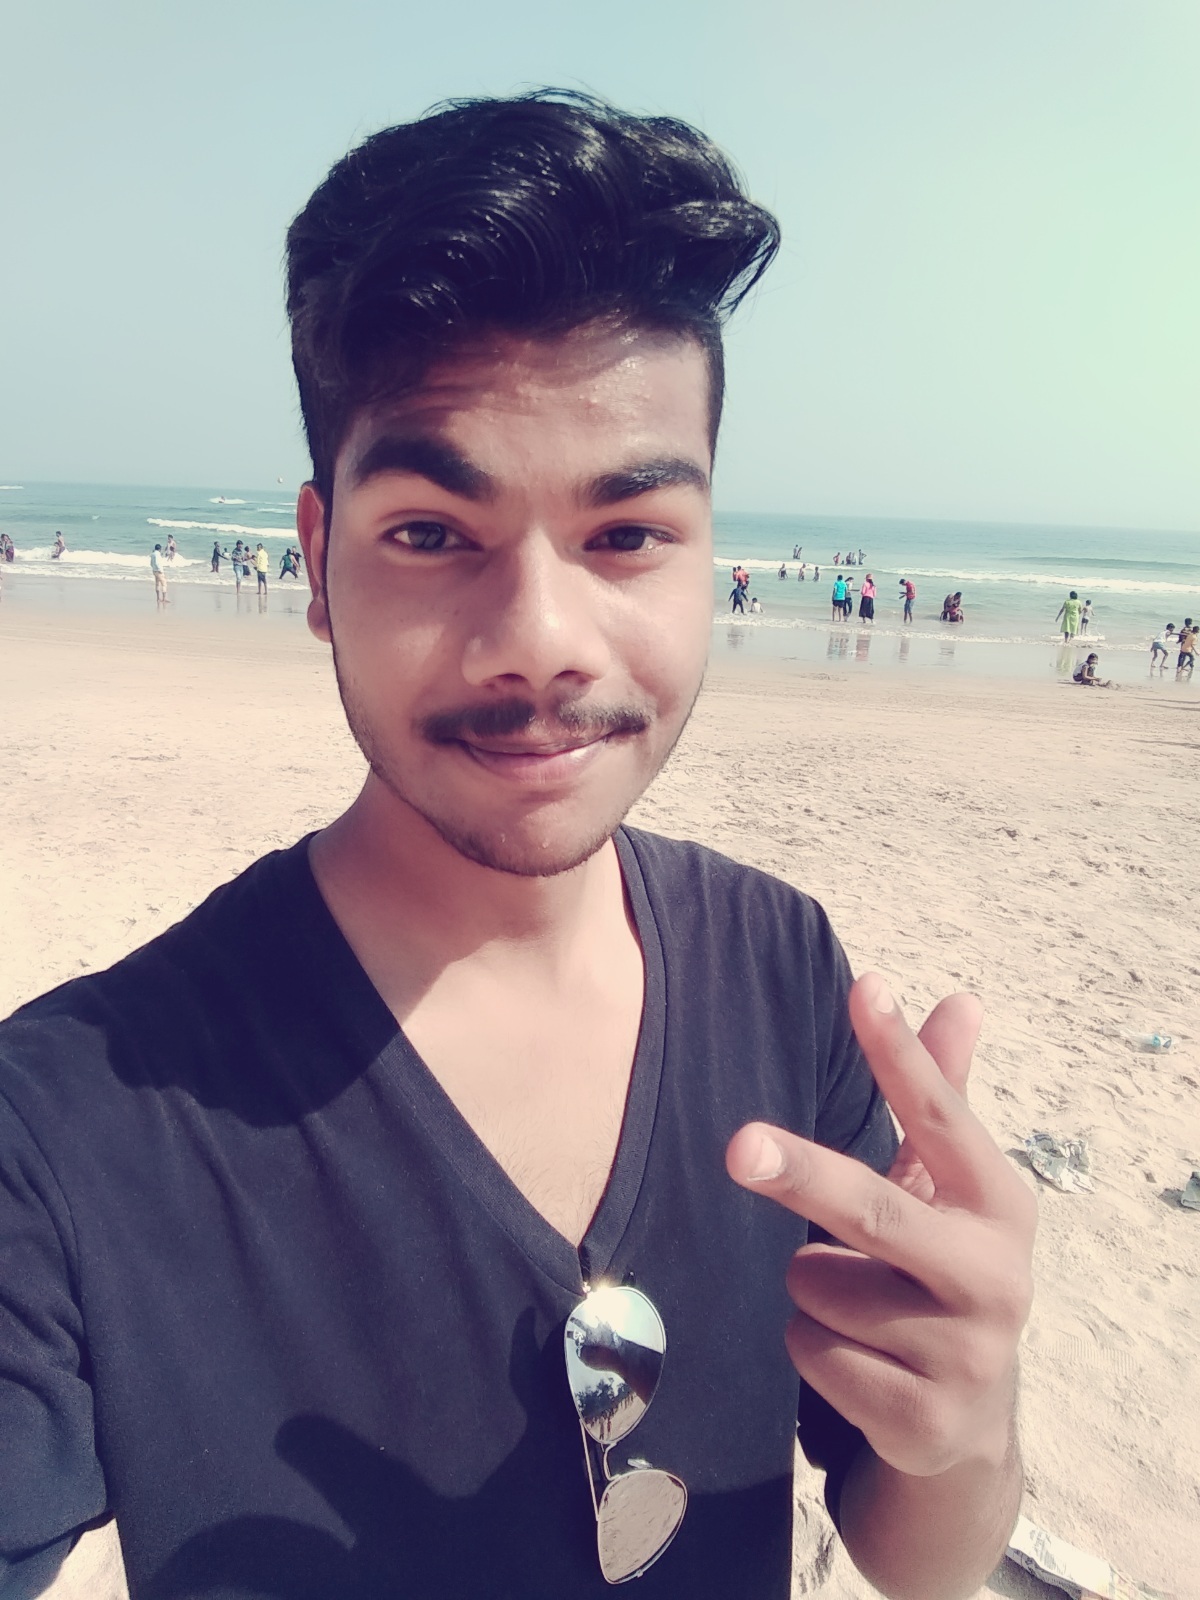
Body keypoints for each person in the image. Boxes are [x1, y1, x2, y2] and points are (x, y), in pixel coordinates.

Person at [0, 93, 1032, 1600]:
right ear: (317, 562)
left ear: (707, 553)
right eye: (432, 532)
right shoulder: (69, 1130)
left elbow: (912, 1553)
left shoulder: (783, 969)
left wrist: (969, 1418)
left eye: (627, 535)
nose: (541, 639)